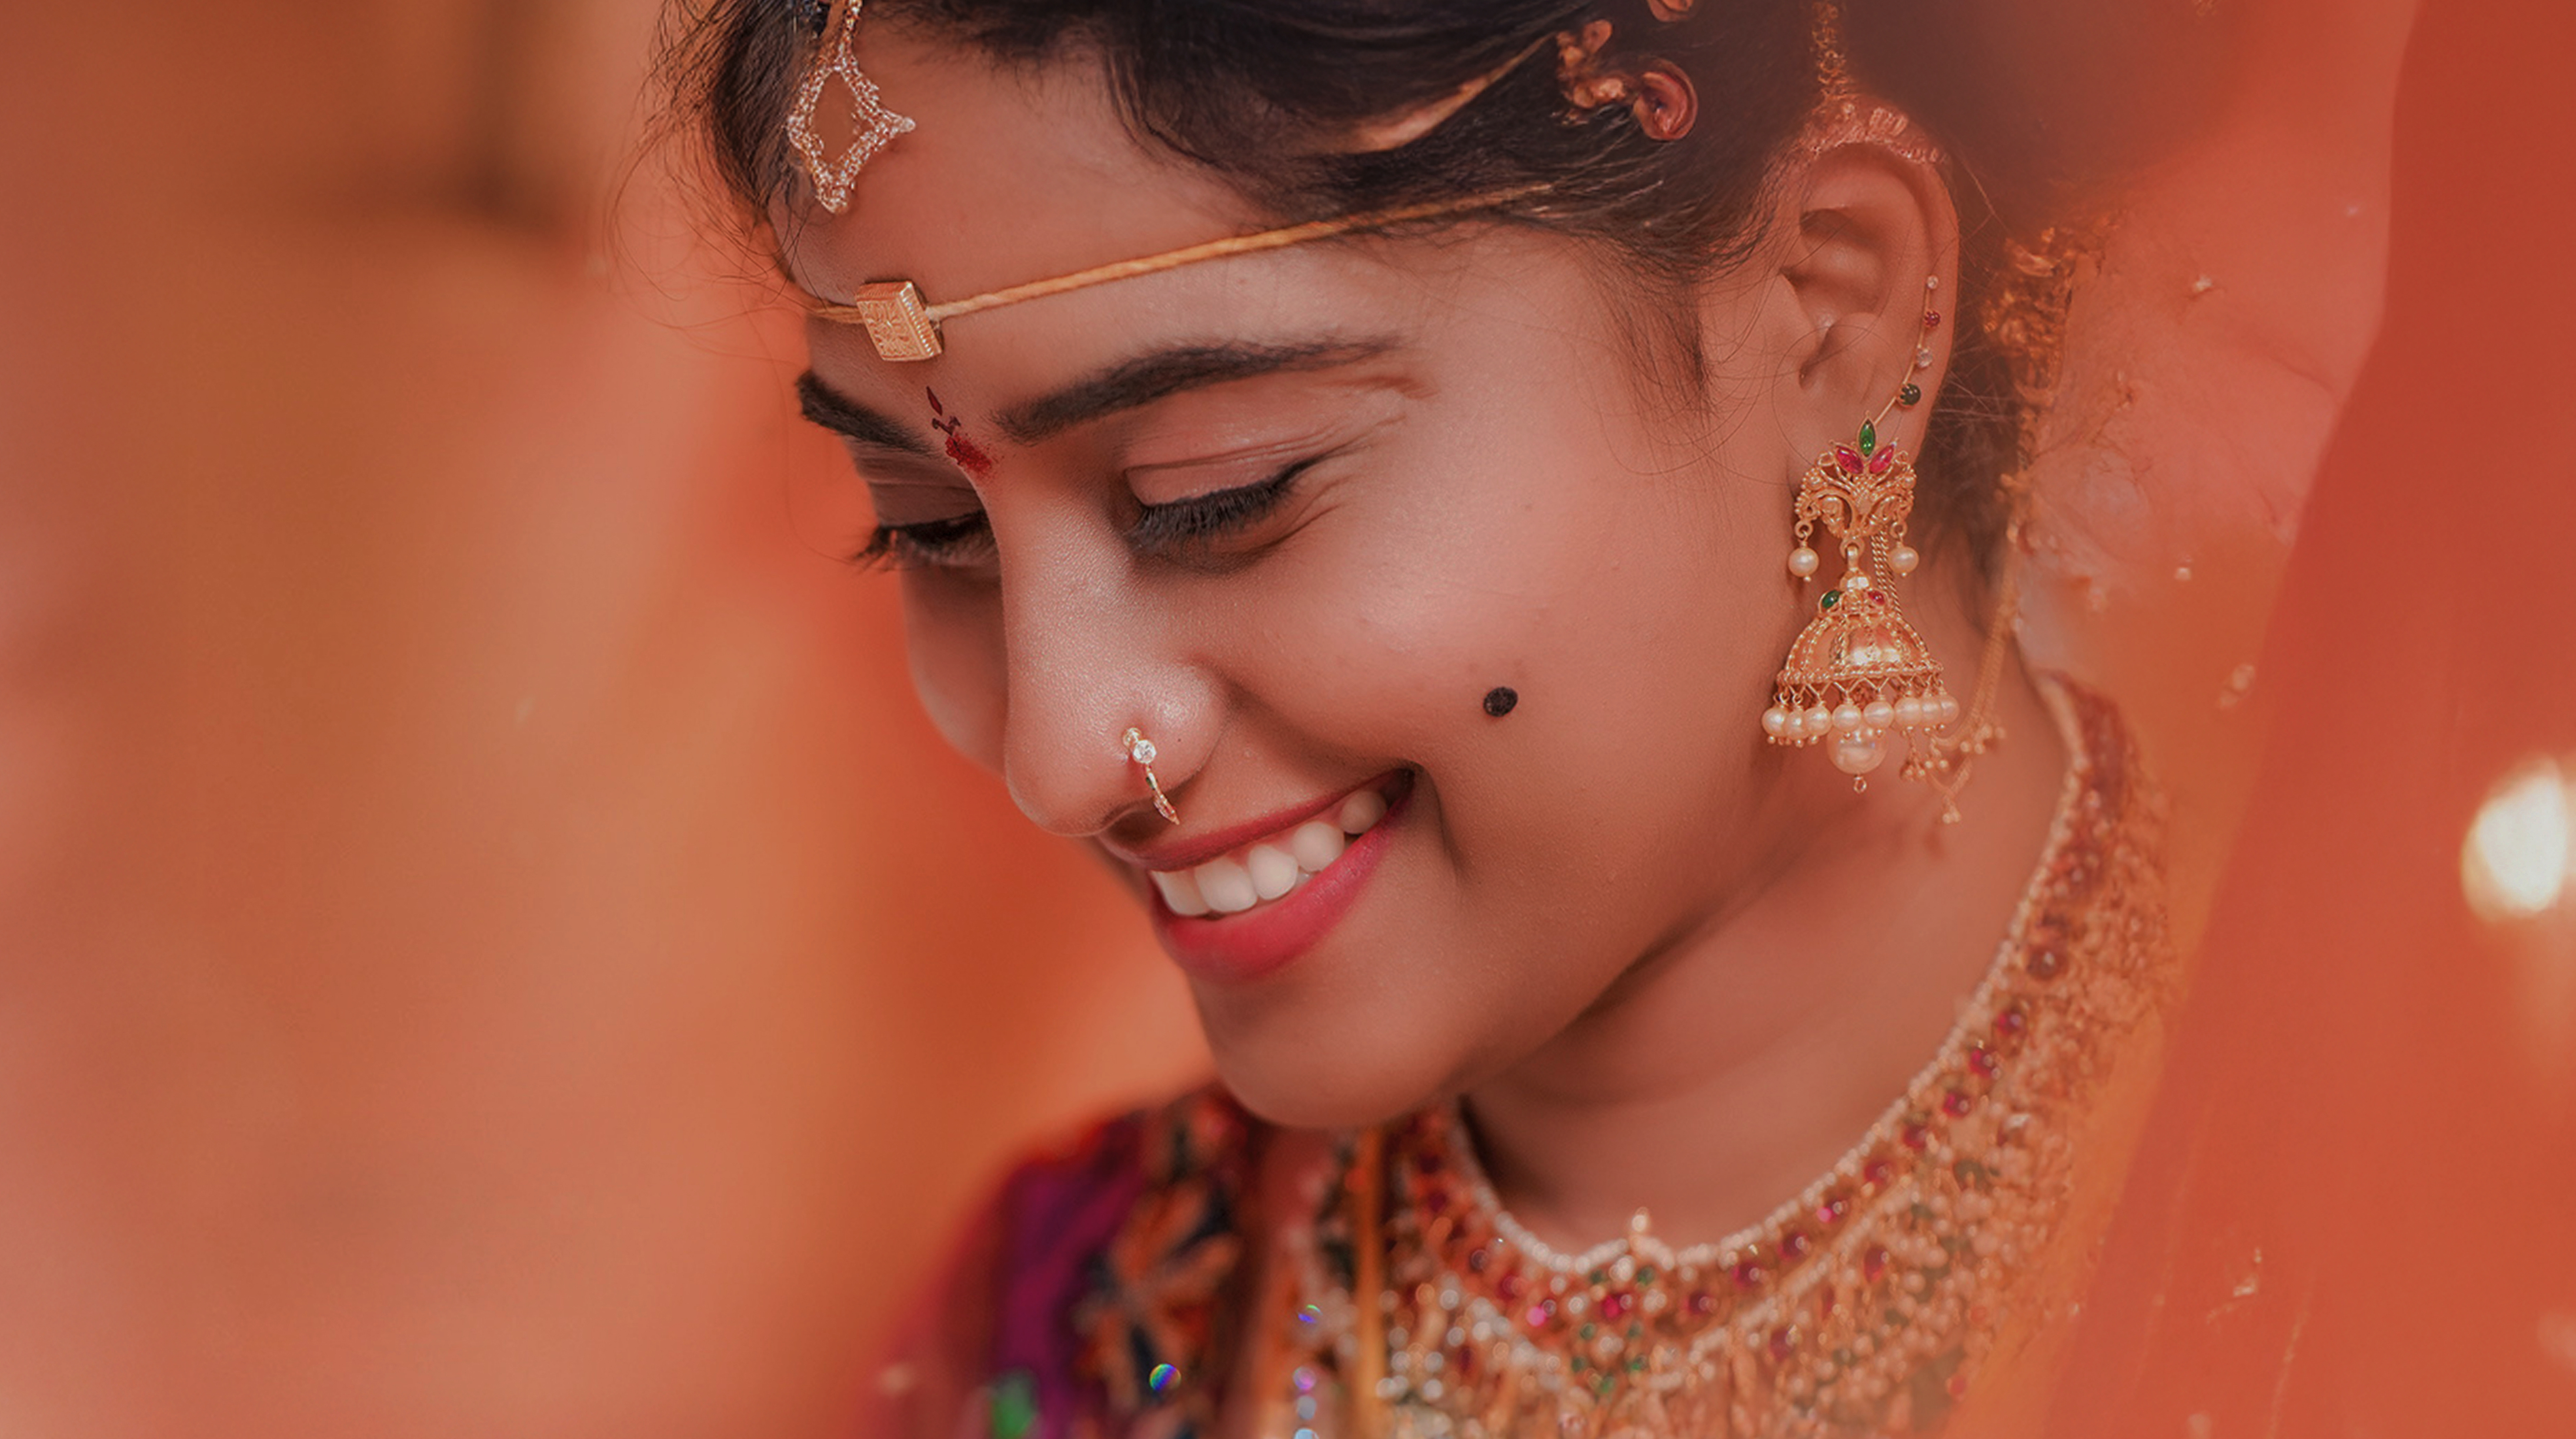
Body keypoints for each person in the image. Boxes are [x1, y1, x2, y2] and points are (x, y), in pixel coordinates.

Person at [659, 0, 2360, 1433]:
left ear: (1831, 324)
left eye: (1211, 490)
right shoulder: (1076, 1330)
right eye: (929, 526)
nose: (1053, 749)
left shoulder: (2405, 1176)